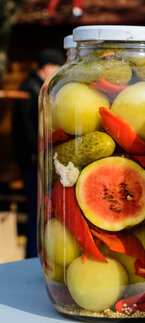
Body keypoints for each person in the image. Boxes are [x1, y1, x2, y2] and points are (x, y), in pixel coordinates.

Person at [12, 49, 65, 258]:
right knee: (38, 210)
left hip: (32, 159)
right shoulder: (31, 90)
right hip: (32, 161)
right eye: (57, 68)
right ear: (48, 67)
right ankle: (34, 254)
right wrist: (39, 153)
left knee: (38, 209)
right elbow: (27, 129)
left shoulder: (33, 87)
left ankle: (35, 252)